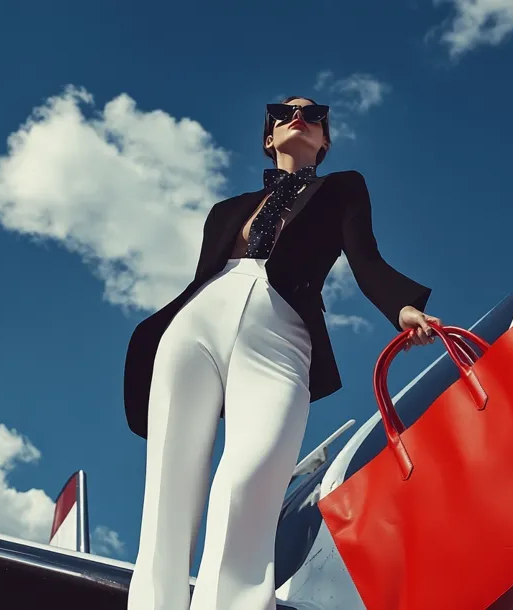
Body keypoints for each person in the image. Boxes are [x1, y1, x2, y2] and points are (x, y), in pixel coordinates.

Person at [123, 96, 439, 610]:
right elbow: (206, 274)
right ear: (269, 137)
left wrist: (402, 307)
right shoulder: (224, 211)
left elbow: (365, 256)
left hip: (280, 332)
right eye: (284, 112)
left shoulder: (342, 188)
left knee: (248, 484)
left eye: (315, 114)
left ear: (325, 140)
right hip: (197, 323)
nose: (301, 117)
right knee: (166, 495)